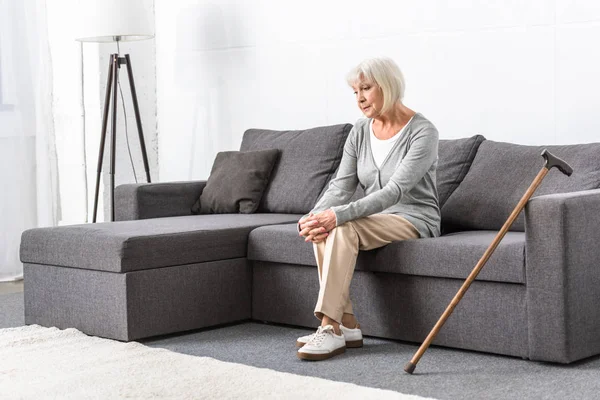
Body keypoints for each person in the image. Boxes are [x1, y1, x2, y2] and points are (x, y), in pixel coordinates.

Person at [296, 57, 441, 361]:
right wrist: (314, 215)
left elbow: (394, 192)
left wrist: (338, 215)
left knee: (342, 224)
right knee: (325, 228)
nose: (359, 98)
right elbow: (341, 185)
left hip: (414, 217)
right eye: (355, 91)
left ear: (386, 86)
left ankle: (329, 325)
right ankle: (347, 325)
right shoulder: (360, 131)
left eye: (366, 88)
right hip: (376, 217)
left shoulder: (423, 132)